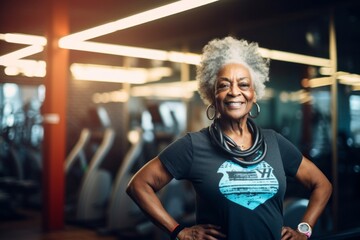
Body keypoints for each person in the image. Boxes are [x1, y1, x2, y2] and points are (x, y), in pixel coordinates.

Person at [126, 36, 332, 240]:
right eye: (224, 85)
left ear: (254, 93)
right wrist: (178, 231)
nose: (234, 92)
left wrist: (304, 229)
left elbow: (322, 184)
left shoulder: (274, 143)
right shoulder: (193, 145)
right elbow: (138, 185)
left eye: (243, 85)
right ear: (212, 94)